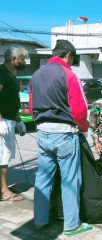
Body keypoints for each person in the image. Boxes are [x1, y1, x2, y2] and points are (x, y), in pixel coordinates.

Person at [29, 39, 92, 235]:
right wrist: (84, 128)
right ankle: (72, 224)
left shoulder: (36, 75)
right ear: (68, 55)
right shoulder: (69, 75)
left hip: (42, 133)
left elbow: (32, 108)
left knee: (43, 178)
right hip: (65, 134)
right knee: (70, 180)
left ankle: (40, 221)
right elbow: (79, 110)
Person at [0, 45, 28, 201]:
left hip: (10, 120)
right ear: (13, 59)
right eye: (22, 58)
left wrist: (19, 121)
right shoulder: (1, 73)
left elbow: (12, 100)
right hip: (2, 121)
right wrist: (0, 120)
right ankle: (4, 192)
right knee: (2, 157)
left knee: (5, 157)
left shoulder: (11, 74)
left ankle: (2, 188)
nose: (24, 61)